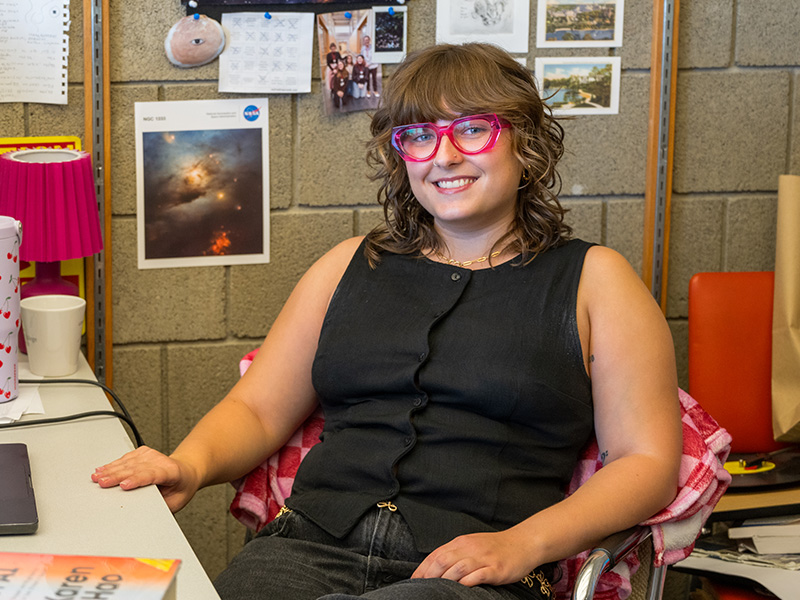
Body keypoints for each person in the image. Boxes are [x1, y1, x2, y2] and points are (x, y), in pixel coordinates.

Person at [92, 42, 682, 600]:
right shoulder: (347, 266)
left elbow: (646, 462)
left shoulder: (595, 281)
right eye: (419, 136)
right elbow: (257, 408)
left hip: (472, 574)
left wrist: (522, 544)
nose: (444, 156)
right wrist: (188, 464)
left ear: (524, 144)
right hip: (305, 548)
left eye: (473, 129)